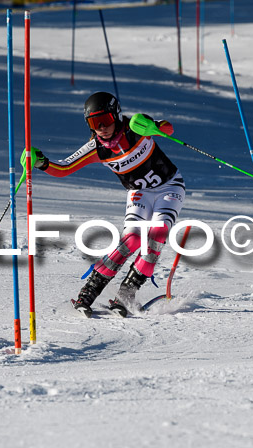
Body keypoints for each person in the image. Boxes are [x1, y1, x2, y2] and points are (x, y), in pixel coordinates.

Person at [32, 92, 185, 317]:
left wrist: (155, 126)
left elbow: (168, 129)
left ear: (116, 115)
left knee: (158, 233)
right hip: (139, 193)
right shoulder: (96, 148)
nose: (101, 127)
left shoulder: (136, 127)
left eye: (105, 120)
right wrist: (40, 162)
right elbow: (63, 168)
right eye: (95, 123)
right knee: (131, 240)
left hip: (169, 187)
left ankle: (126, 295)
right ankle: (89, 292)